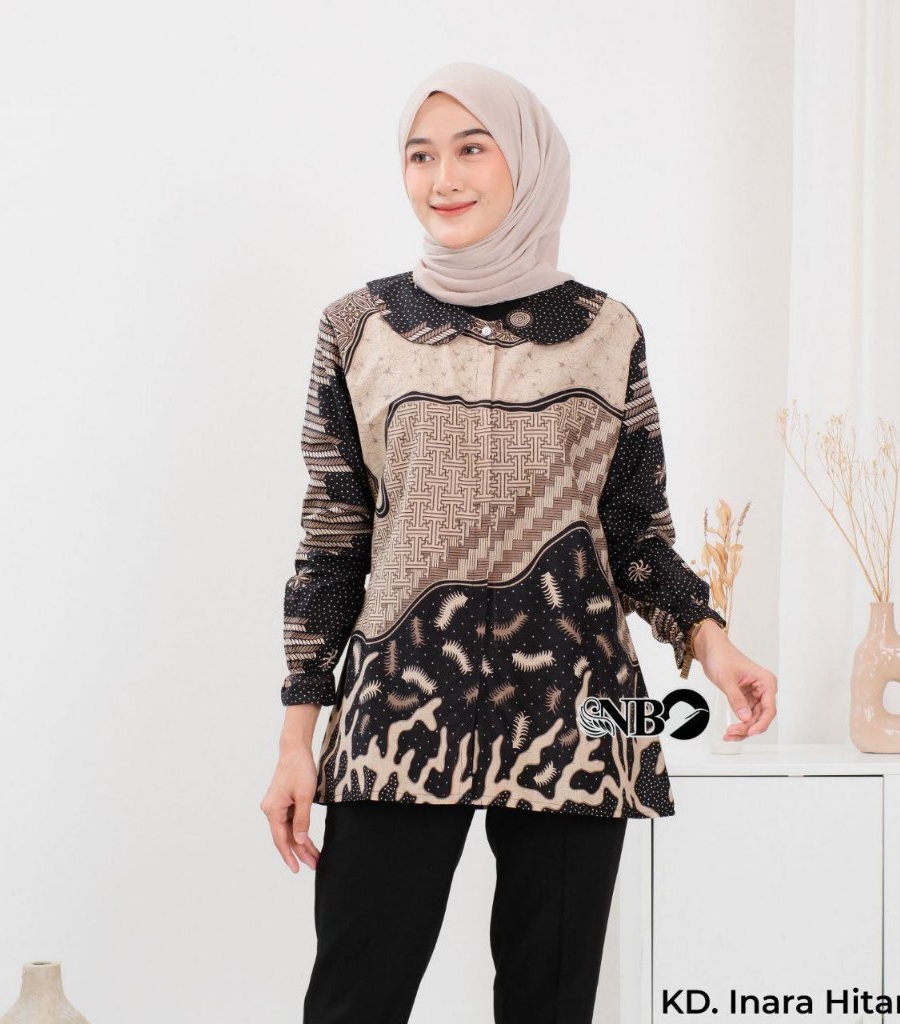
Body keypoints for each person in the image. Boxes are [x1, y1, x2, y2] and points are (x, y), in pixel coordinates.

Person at [261, 61, 778, 1024]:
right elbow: (331, 546)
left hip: (583, 714)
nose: (443, 178)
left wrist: (712, 643)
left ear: (527, 163)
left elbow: (634, 531)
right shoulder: (357, 328)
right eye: (420, 156)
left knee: (551, 1007)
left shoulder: (606, 331)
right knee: (354, 1001)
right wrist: (298, 739)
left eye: (471, 149)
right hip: (399, 708)